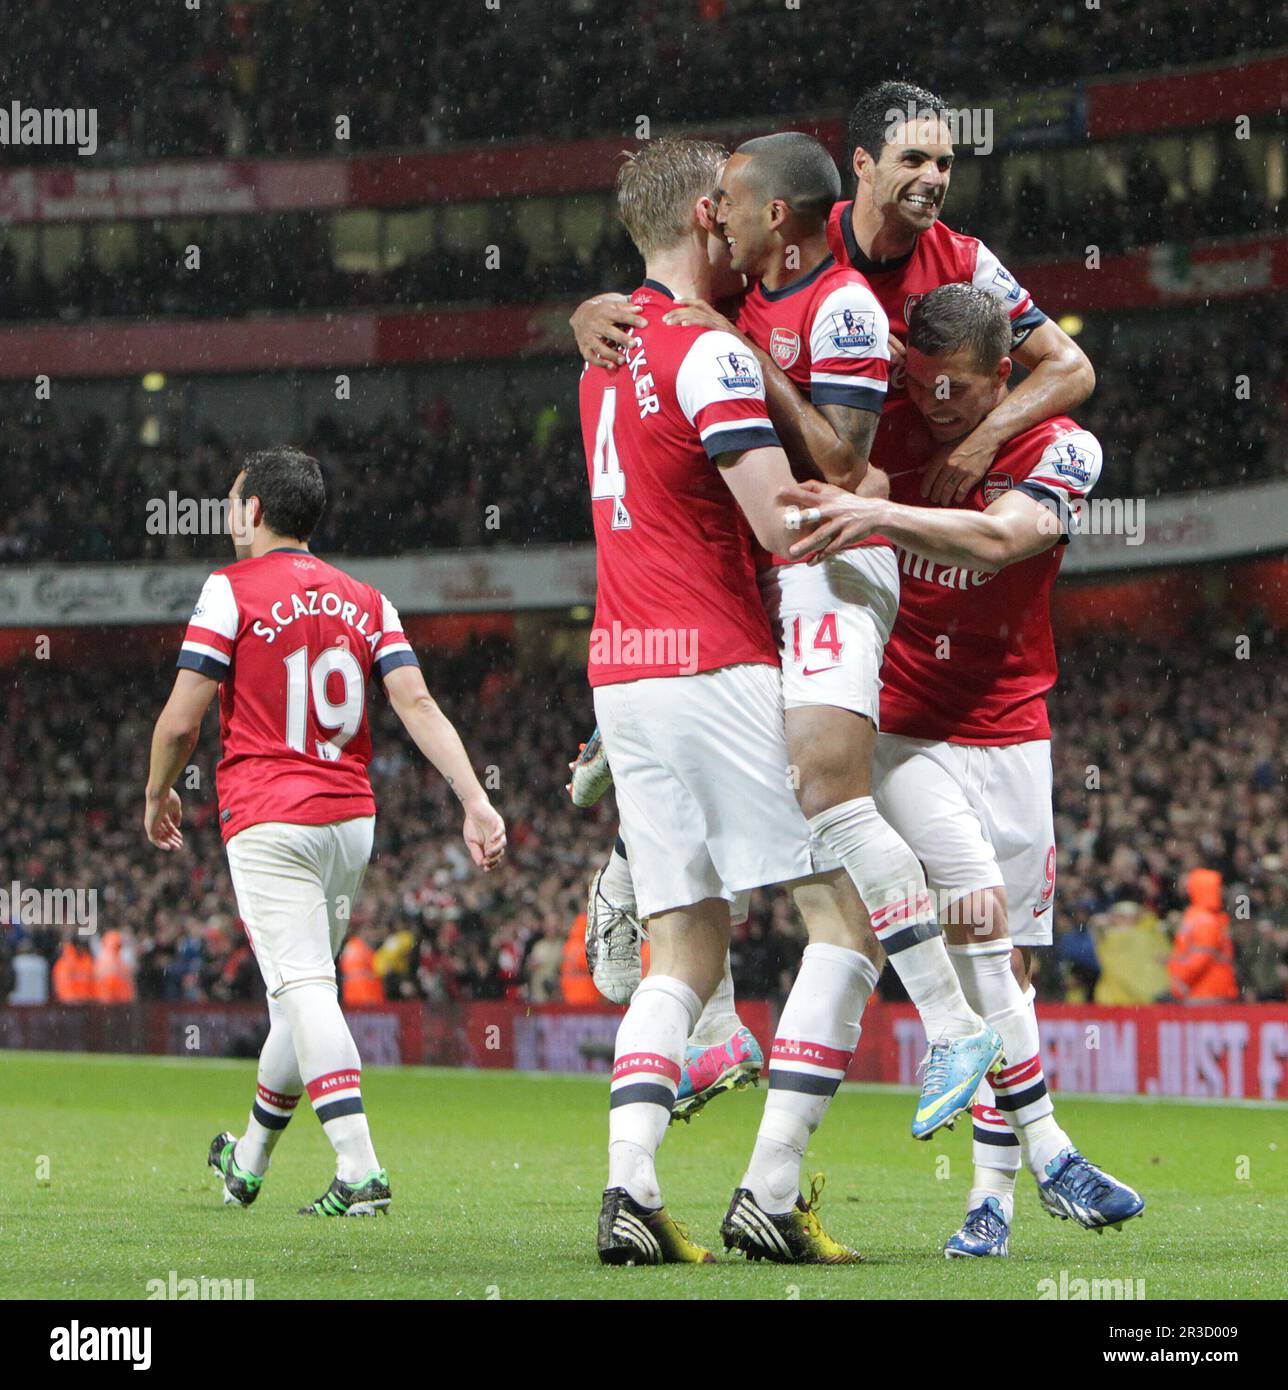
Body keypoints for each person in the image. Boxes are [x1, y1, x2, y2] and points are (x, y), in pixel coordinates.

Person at [779, 282, 1146, 1254]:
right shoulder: (884, 432)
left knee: (1010, 973)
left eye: (956, 390)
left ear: (1002, 377)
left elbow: (998, 540)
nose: (935, 404)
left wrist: (876, 515)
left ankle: (993, 1201)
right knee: (977, 916)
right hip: (905, 733)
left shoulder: (1066, 449)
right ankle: (1053, 1148)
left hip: (1015, 729)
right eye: (922, 385)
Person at [586, 136, 887, 1266]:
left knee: (684, 949)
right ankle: (769, 1187)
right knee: (845, 914)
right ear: (711, 215)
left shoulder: (602, 351)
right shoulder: (706, 355)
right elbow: (781, 522)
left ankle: (629, 1190)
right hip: (711, 661)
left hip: (622, 669)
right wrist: (915, 521)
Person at [144, 447, 505, 1217]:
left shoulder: (229, 589)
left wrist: (157, 793)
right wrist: (475, 798)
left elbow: (181, 718)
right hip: (350, 820)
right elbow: (417, 706)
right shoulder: (367, 600)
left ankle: (359, 1168)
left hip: (271, 814)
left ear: (252, 512)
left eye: (232, 503)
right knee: (299, 995)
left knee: (306, 989)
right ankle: (247, 1161)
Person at [1168, 868, 1238, 1004]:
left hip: (1205, 990)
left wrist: (1180, 981)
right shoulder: (1207, 917)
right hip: (1208, 988)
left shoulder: (1204, 919)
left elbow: (1202, 956)